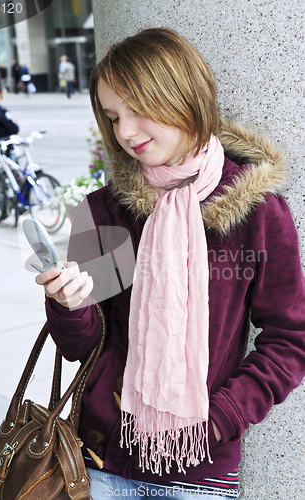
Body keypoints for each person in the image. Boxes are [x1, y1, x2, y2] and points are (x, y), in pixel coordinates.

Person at [36, 28, 305, 499]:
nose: (124, 132)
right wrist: (69, 306)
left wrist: (220, 418)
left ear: (183, 96)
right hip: (102, 460)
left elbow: (291, 339)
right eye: (114, 116)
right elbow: (85, 346)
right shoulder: (107, 211)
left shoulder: (257, 212)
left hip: (201, 471)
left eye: (138, 110)